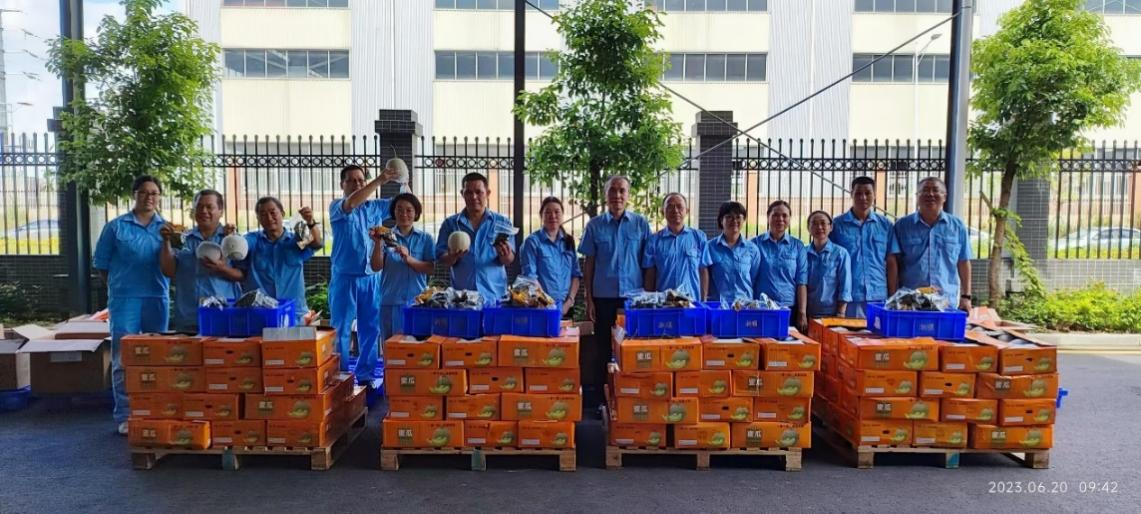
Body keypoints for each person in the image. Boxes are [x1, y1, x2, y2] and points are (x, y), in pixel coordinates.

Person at [93, 175, 170, 435]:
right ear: (134, 195)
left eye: (154, 193)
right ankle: (126, 414)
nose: (149, 197)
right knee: (123, 357)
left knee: (157, 357)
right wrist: (119, 287)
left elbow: (173, 263)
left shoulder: (167, 229)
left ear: (159, 197)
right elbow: (102, 265)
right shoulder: (116, 227)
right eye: (144, 192)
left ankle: (155, 410)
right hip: (125, 300)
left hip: (156, 298)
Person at [579, 175, 650, 407]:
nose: (617, 195)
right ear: (605, 194)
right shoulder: (594, 226)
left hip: (632, 299)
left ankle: (631, 397)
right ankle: (600, 400)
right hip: (603, 297)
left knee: (632, 348)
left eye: (622, 191)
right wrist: (589, 299)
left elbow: (648, 263)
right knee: (602, 349)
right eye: (612, 190)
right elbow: (589, 264)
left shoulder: (640, 224)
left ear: (628, 195)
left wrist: (648, 297)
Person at [328, 163, 399, 382]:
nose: (357, 184)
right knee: (341, 329)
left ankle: (366, 375)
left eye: (360, 180)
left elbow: (403, 205)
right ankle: (340, 376)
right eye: (351, 180)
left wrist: (403, 180)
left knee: (370, 328)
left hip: (371, 278)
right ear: (342, 184)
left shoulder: (376, 207)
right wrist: (379, 180)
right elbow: (352, 203)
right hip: (345, 279)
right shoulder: (337, 206)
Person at [159, 190, 242, 333]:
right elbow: (168, 271)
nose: (204, 211)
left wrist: (222, 268)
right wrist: (166, 241)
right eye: (199, 207)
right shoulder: (183, 239)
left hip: (223, 316)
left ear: (221, 211)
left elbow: (243, 275)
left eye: (209, 207)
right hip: (188, 318)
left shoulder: (232, 239)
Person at [888, 177, 973, 310]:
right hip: (910, 301)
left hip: (946, 300)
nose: (930, 194)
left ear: (944, 197)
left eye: (935, 190)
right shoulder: (902, 226)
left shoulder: (957, 227)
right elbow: (893, 263)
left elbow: (963, 262)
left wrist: (966, 297)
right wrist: (893, 297)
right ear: (917, 196)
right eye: (925, 190)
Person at [238, 197, 323, 324]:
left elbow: (316, 243)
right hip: (261, 316)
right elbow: (239, 245)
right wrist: (232, 238)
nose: (269, 217)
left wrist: (310, 222)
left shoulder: (296, 239)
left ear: (282, 214)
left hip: (295, 315)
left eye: (273, 212)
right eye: (263, 214)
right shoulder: (253, 240)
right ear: (258, 219)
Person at [435, 172, 515, 303]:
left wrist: (505, 255)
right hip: (461, 299)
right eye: (468, 192)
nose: (474, 197)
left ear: (487, 193)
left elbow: (509, 260)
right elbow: (442, 258)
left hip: (494, 297)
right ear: (462, 194)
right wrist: (452, 257)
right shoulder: (450, 224)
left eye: (479, 192)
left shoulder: (502, 223)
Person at [371, 193, 436, 342]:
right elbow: (376, 267)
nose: (403, 214)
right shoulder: (385, 236)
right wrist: (378, 243)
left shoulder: (425, 239)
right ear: (393, 212)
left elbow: (431, 268)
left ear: (416, 213)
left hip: (417, 304)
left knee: (417, 350)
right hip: (390, 303)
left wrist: (409, 259)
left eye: (409, 210)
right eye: (399, 209)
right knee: (392, 349)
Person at [830, 176, 894, 317]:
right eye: (858, 193)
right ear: (851, 194)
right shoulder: (837, 225)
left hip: (879, 296)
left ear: (874, 195)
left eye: (868, 193)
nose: (863, 197)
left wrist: (893, 295)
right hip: (849, 297)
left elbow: (891, 262)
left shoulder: (886, 225)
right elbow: (830, 262)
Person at [519, 196, 582, 318]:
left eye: (557, 212)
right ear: (541, 216)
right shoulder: (532, 242)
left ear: (562, 215)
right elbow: (530, 277)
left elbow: (576, 275)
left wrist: (568, 303)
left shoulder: (568, 241)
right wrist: (547, 304)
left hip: (566, 307)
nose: (552, 216)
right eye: (547, 212)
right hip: (541, 307)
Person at [752, 200, 809, 332]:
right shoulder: (755, 244)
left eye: (784, 215)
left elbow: (801, 281)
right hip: (761, 308)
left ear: (789, 219)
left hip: (788, 309)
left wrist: (802, 312)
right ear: (768, 217)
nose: (780, 219)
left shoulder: (797, 246)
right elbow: (749, 279)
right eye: (775, 215)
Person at [642, 193, 708, 300]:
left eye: (679, 206)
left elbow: (703, 270)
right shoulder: (653, 241)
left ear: (687, 211)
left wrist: (703, 301)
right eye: (670, 207)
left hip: (692, 303)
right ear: (662, 212)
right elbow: (650, 275)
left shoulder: (699, 237)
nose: (675, 210)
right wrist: (649, 301)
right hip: (664, 303)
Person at [701, 201, 762, 303]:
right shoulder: (710, 247)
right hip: (719, 306)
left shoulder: (752, 249)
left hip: (744, 305)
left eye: (738, 217)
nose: (734, 221)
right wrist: (704, 301)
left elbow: (753, 278)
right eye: (729, 217)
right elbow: (704, 275)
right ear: (721, 220)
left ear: (744, 220)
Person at [805, 211, 852, 318]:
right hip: (807, 313)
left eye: (823, 223)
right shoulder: (803, 253)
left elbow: (845, 285)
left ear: (830, 227)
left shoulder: (841, 253)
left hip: (832, 313)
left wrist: (841, 312)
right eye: (814, 223)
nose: (819, 227)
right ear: (808, 228)